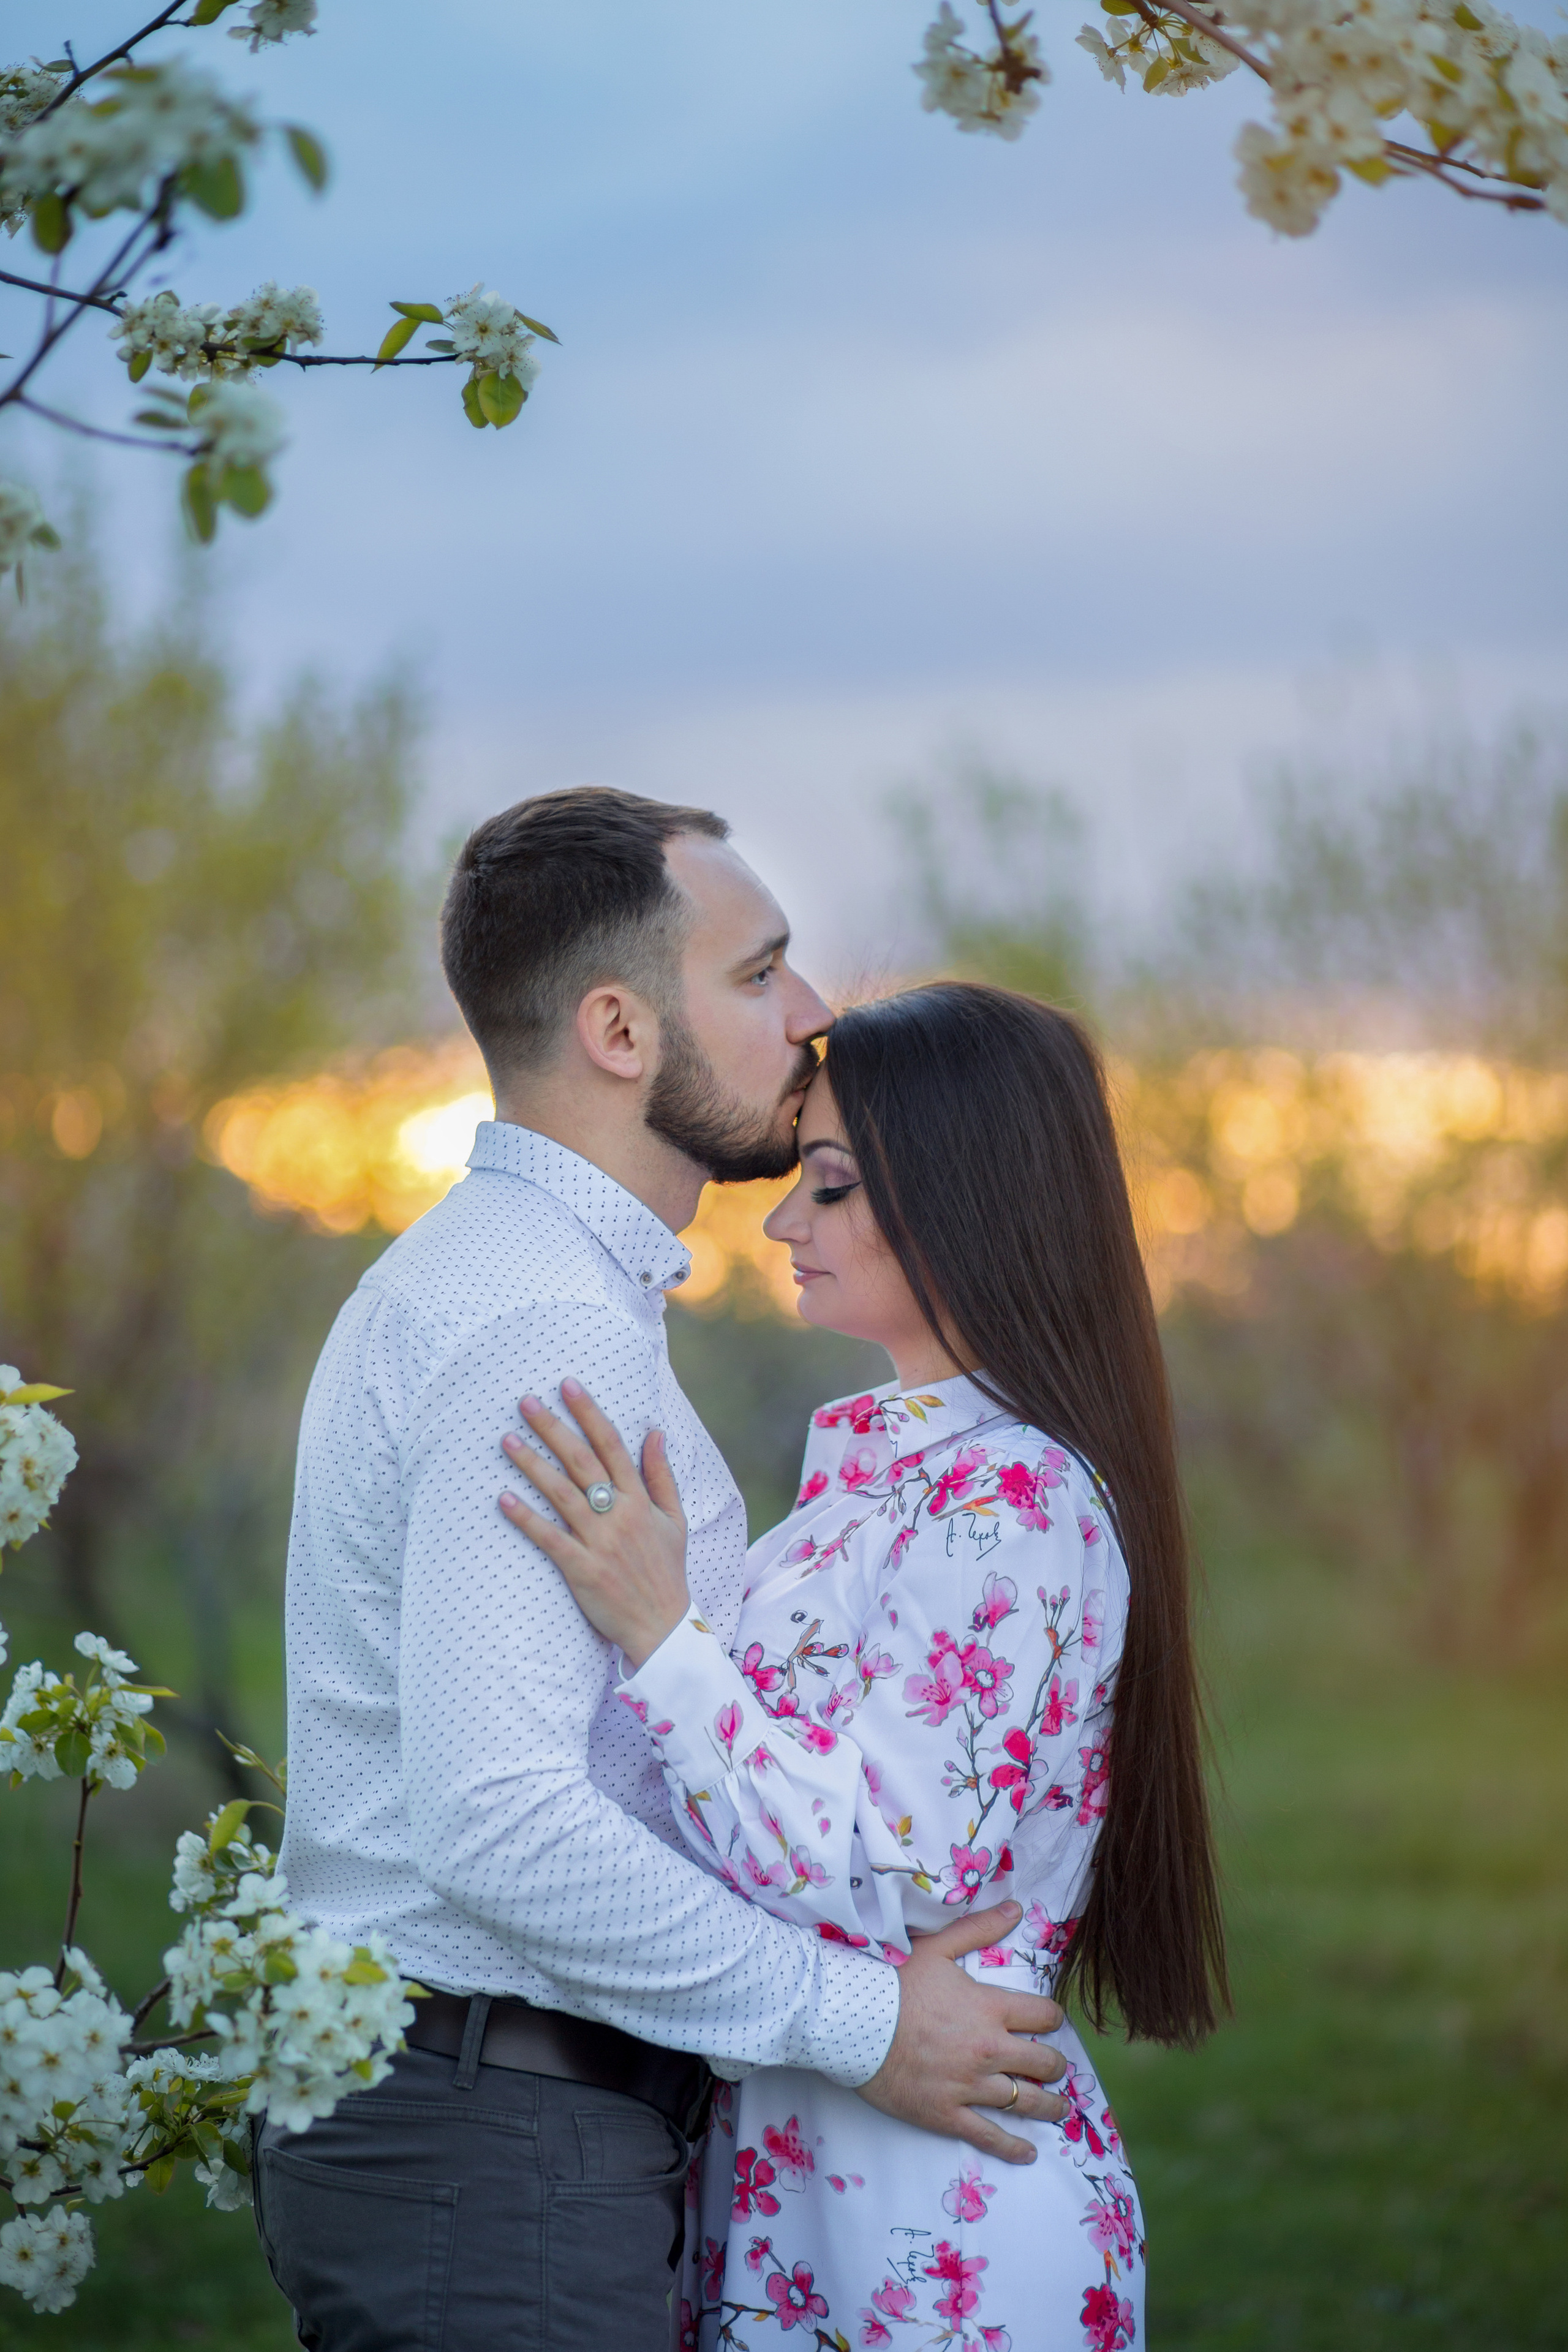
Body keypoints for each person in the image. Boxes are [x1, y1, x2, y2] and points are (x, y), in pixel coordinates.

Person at [257, 793, 1072, 2352]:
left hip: (505, 2136)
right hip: (495, 2154)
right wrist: (866, 2026)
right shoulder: (538, 1325)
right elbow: (498, 1819)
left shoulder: (541, 1288)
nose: (813, 1013)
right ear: (619, 1030)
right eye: (759, 972)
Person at [497, 981, 1229, 2352]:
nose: (784, 1221)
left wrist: (662, 1635)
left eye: (829, 1186)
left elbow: (899, 1876)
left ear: (965, 1196)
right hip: (808, 2183)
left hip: (941, 2226)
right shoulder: (880, 1482)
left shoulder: (1012, 1499)